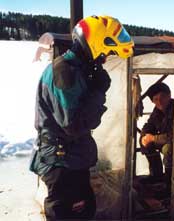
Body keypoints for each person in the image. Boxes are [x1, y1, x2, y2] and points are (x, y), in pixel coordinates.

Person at [29, 15, 134, 221]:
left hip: (73, 158)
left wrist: (93, 87)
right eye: (106, 53)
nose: (105, 59)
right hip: (62, 162)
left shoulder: (77, 70)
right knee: (68, 214)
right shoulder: (64, 72)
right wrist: (97, 92)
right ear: (96, 45)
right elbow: (74, 125)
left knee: (85, 210)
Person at [140, 82, 174, 194]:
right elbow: (149, 126)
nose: (159, 101)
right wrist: (144, 137)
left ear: (169, 95)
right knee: (145, 142)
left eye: (162, 97)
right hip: (164, 140)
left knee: (167, 149)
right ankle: (156, 175)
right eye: (155, 99)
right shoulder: (157, 111)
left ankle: (169, 184)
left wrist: (154, 138)